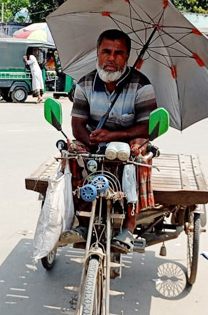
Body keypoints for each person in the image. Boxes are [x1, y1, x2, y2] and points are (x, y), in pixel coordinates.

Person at [60, 29, 157, 253]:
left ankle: (129, 229)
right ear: (97, 53)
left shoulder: (141, 85)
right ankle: (83, 223)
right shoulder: (84, 84)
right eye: (106, 51)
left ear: (127, 56)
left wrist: (113, 136)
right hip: (94, 141)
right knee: (74, 150)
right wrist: (93, 143)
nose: (111, 58)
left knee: (138, 153)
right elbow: (77, 125)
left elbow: (146, 126)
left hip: (128, 141)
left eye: (118, 53)